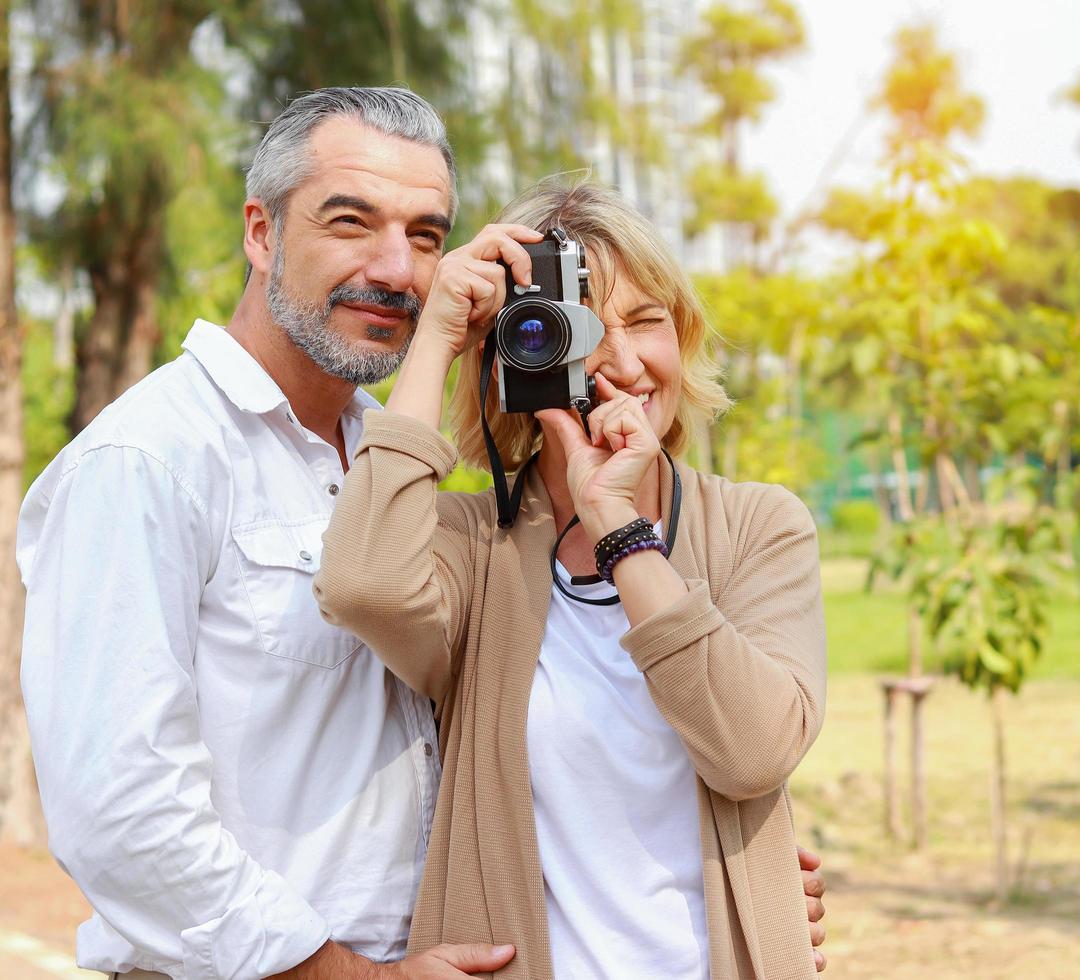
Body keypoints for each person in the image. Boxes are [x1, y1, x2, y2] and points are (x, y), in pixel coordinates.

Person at [16, 87, 827, 979]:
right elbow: (122, 808)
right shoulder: (150, 461)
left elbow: (699, 761)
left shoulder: (387, 455)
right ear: (261, 232)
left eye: (429, 238)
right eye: (351, 221)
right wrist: (350, 975)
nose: (398, 270)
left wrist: (738, 869)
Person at [314, 176, 828, 979]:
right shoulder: (473, 547)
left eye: (649, 322)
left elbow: (754, 752)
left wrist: (621, 529)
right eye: (584, 328)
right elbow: (362, 587)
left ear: (683, 336)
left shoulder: (757, 529)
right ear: (520, 351)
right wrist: (439, 336)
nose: (624, 362)